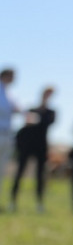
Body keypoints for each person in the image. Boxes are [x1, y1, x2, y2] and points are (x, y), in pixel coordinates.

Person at [11, 86, 56, 213]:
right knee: (19, 173)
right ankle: (13, 201)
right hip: (27, 146)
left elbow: (48, 122)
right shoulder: (31, 109)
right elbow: (25, 123)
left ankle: (39, 204)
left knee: (40, 176)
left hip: (41, 146)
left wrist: (37, 119)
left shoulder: (51, 112)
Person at [0, 68, 21, 208]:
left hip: (7, 135)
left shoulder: (9, 94)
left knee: (2, 169)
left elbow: (17, 108)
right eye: (12, 76)